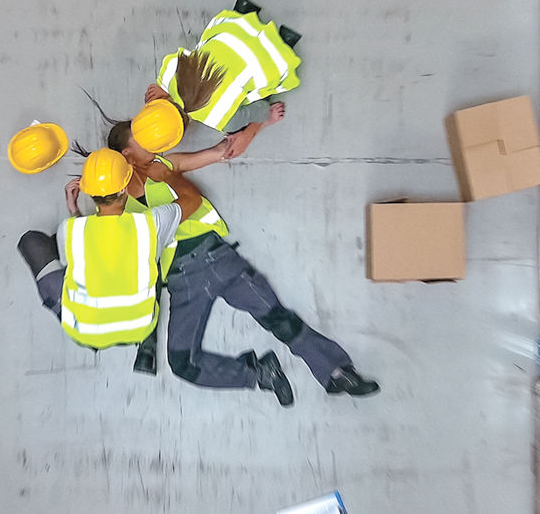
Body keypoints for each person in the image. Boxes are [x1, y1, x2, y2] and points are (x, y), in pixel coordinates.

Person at [103, 121, 380, 407]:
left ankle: (337, 373)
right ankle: (260, 374)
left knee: (278, 318)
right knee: (182, 362)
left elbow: (219, 153)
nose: (153, 137)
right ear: (126, 153)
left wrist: (260, 122)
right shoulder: (115, 197)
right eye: (141, 138)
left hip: (219, 259)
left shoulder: (166, 163)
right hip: (182, 280)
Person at [16, 148, 296, 400]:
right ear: (125, 188)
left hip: (87, 333)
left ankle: (254, 375)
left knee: (33, 242)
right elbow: (192, 200)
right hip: (141, 323)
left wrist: (74, 210)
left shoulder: (71, 230)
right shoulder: (150, 225)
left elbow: (79, 257)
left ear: (88, 192)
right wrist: (169, 176)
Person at [135, 0, 298, 158]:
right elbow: (173, 60)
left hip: (268, 58)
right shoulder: (169, 73)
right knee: (206, 47)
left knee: (254, 95)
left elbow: (261, 109)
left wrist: (267, 116)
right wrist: (163, 87)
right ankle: (244, 11)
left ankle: (284, 42)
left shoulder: (221, 120)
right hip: (230, 30)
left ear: (181, 133)